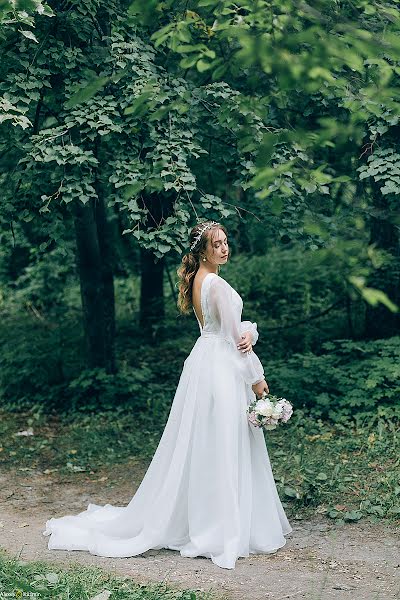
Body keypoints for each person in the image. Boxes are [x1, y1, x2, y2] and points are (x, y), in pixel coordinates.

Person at [43, 220, 292, 570]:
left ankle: (206, 519)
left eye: (225, 242)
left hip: (205, 363)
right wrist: (257, 380)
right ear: (202, 251)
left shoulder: (198, 281)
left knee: (205, 443)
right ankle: (221, 526)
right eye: (216, 244)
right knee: (224, 442)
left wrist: (249, 331)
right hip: (222, 368)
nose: (224, 248)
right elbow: (236, 340)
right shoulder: (216, 284)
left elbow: (226, 331)